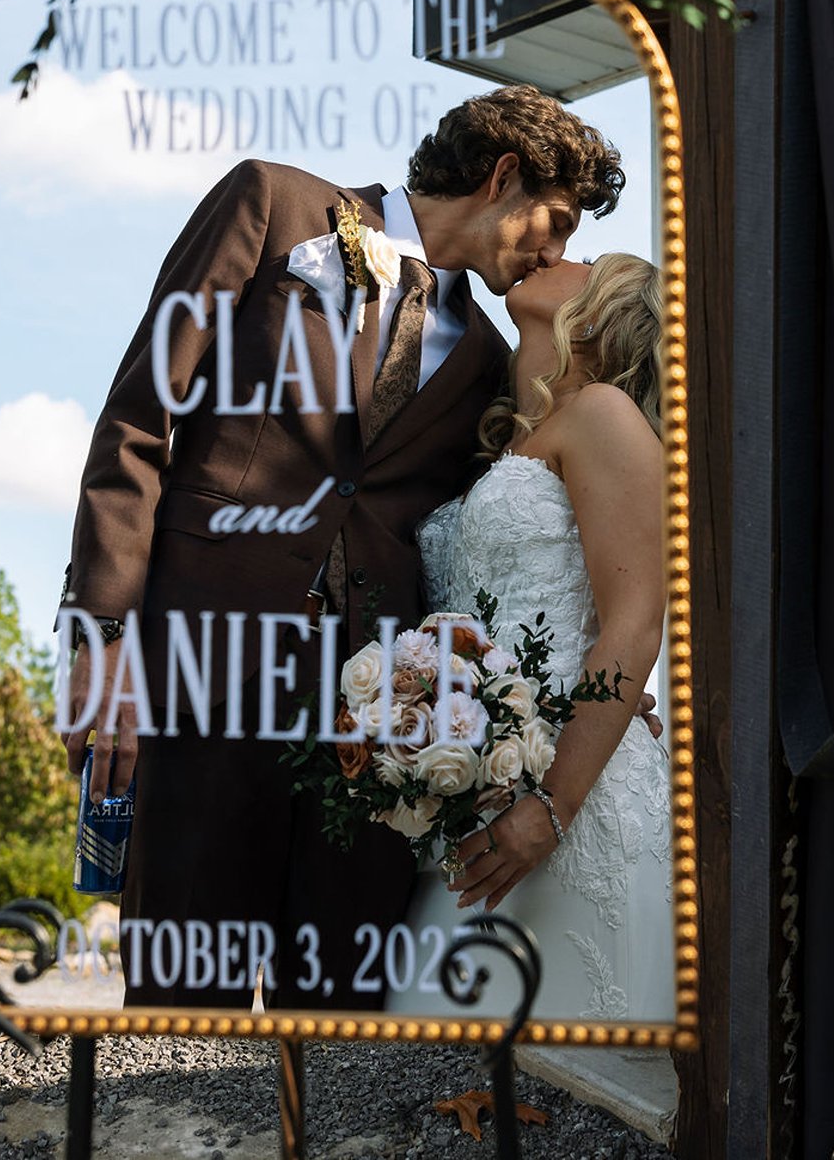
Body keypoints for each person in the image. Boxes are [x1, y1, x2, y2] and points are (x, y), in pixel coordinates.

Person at [57, 84, 625, 1009]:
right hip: (206, 670)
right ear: (502, 176)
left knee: (340, 1019)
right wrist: (103, 633)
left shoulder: (488, 358)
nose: (554, 253)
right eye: (554, 222)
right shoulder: (274, 208)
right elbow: (137, 422)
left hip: (373, 732)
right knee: (178, 1001)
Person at [388, 252, 672, 1023]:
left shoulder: (604, 413)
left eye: (588, 260)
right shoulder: (518, 436)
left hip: (571, 806)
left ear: (605, 316)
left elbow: (635, 622)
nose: (556, 253)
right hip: (476, 792)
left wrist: (550, 809)